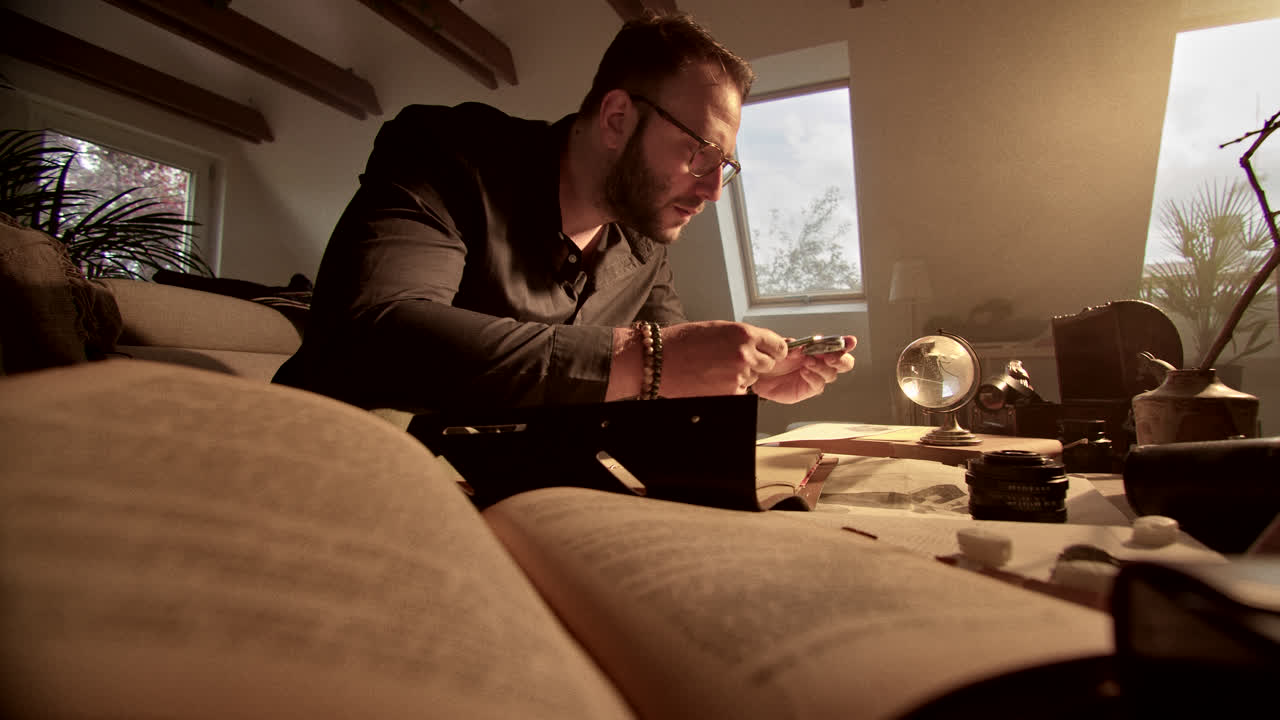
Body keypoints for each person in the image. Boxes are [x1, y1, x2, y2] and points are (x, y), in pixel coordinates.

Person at [273, 13, 856, 414]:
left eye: (723, 166)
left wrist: (747, 378)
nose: (711, 191)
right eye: (700, 154)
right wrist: (644, 357)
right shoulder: (445, 153)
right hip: (334, 469)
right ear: (616, 118)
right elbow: (374, 332)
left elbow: (665, 379)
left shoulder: (643, 244)